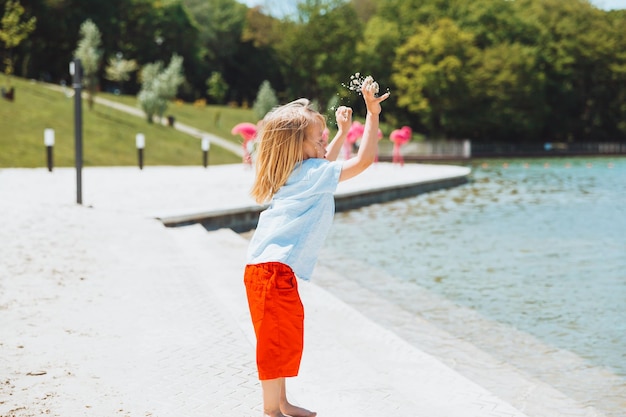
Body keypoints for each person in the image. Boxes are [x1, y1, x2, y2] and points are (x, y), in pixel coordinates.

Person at [243, 76, 389, 417]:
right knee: (276, 341)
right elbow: (363, 161)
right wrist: (372, 114)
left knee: (282, 337)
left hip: (267, 269)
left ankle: (281, 403)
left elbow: (323, 160)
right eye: (319, 139)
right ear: (300, 147)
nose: (325, 144)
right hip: (274, 270)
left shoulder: (298, 172)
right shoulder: (310, 174)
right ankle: (271, 411)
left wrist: (339, 133)